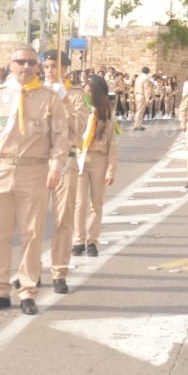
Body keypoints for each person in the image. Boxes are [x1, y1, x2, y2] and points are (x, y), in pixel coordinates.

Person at [0, 47, 67, 315]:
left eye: (30, 62)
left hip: (34, 170)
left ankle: (27, 290)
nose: (25, 66)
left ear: (37, 67)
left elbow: (60, 137)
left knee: (32, 233)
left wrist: (56, 166)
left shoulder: (49, 98)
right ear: (10, 65)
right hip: (0, 168)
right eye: (20, 62)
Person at [44, 57, 87, 294]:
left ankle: (59, 271)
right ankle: (29, 271)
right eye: (47, 67)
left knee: (62, 218)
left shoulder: (77, 95)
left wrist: (64, 100)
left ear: (65, 70)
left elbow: (79, 125)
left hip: (66, 160)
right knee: (34, 221)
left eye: (55, 67)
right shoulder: (38, 92)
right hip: (39, 161)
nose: (50, 72)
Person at [72, 74, 119, 259]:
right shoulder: (80, 109)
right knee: (79, 203)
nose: (86, 92)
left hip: (99, 159)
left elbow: (112, 144)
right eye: (86, 89)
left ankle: (92, 241)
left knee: (96, 204)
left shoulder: (106, 113)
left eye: (90, 90)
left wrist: (111, 169)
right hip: (80, 157)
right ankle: (78, 240)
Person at [131, 66, 152, 130]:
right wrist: (147, 99)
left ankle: (140, 124)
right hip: (142, 95)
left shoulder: (138, 78)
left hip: (137, 94)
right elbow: (146, 89)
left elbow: (135, 87)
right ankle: (137, 124)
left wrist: (134, 96)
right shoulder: (146, 79)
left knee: (139, 110)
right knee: (140, 110)